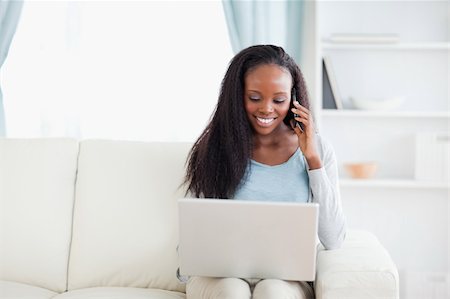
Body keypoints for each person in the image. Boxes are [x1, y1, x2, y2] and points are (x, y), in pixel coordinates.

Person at [182, 44, 346, 299]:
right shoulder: (216, 146)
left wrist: (313, 159)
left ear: (293, 99)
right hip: (219, 278)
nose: (267, 109)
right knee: (231, 291)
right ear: (238, 96)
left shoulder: (317, 149)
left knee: (273, 291)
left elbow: (334, 238)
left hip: (284, 280)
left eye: (278, 100)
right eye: (255, 98)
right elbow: (194, 232)